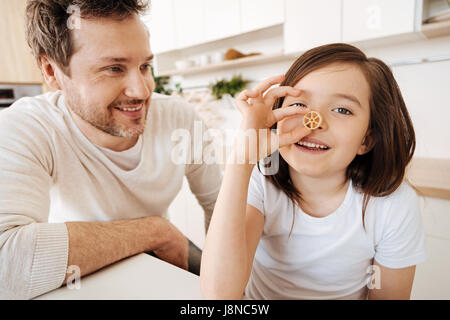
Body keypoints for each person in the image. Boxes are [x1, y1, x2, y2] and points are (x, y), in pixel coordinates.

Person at [0, 0, 221, 299]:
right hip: (77, 273)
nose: (142, 91)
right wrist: (156, 231)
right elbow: (6, 263)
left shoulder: (179, 118)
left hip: (157, 260)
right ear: (52, 71)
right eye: (113, 68)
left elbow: (220, 207)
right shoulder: (26, 125)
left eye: (145, 66)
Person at [200, 43, 427, 300]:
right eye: (299, 105)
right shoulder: (262, 181)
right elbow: (218, 297)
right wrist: (242, 159)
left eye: (342, 109)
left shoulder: (393, 204)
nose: (314, 121)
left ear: (367, 139)